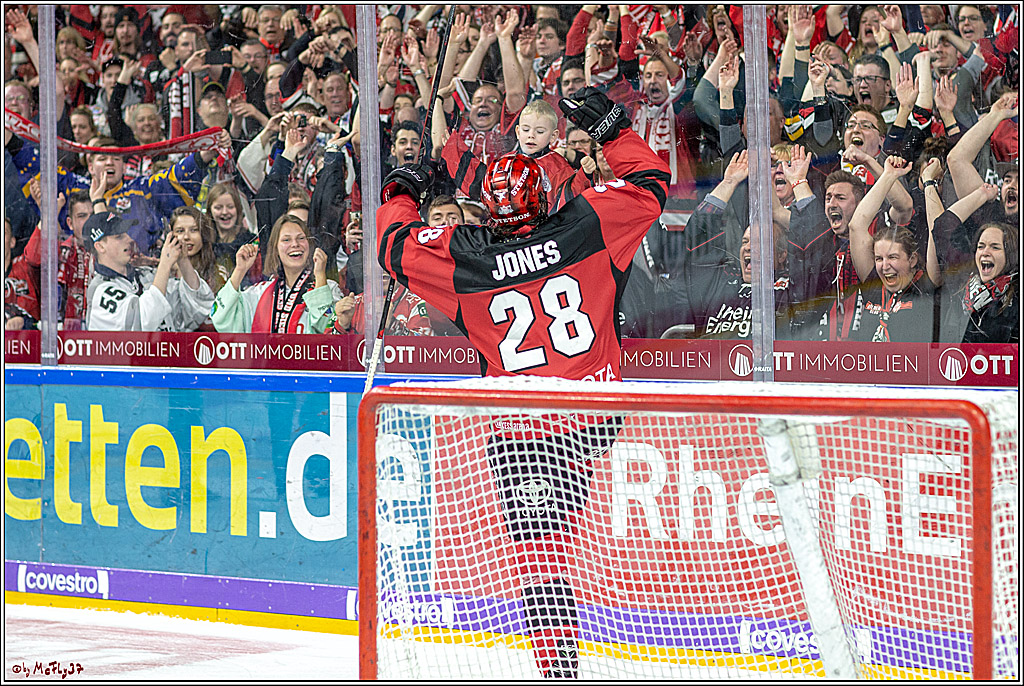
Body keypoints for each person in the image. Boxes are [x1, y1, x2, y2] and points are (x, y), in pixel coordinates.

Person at [376, 87, 669, 679]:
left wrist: (403, 190)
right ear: (546, 192)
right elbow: (652, 184)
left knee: (539, 558)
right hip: (595, 413)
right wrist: (611, 130)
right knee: (550, 549)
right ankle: (558, 663)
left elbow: (391, 246)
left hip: (521, 428)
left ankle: (556, 668)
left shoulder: (466, 256)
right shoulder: (588, 221)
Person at [211, 214, 341, 334]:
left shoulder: (329, 289)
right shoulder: (258, 293)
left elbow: (327, 332)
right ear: (276, 248)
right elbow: (220, 319)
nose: (295, 244)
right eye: (286, 240)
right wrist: (240, 270)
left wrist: (320, 276)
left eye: (301, 238)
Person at [84, 211, 214, 332]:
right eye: (119, 237)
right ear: (100, 246)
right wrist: (165, 263)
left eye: (127, 234)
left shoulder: (145, 275)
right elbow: (142, 323)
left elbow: (197, 309)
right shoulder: (100, 291)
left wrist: (183, 261)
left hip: (168, 355)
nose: (129, 239)